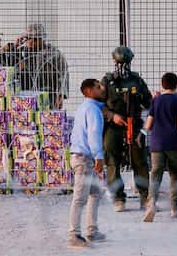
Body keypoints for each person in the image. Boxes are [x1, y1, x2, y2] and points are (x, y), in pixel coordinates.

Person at [100, 46, 152, 212]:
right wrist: (111, 116)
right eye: (119, 63)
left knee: (140, 162)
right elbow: (99, 105)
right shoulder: (107, 81)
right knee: (112, 162)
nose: (122, 66)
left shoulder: (136, 80)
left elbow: (149, 102)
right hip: (113, 126)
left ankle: (145, 198)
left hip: (134, 124)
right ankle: (118, 198)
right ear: (114, 62)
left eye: (125, 63)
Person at [67, 78, 107, 249]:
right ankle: (74, 234)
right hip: (85, 158)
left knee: (95, 192)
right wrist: (99, 157)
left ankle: (92, 230)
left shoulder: (84, 108)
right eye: (98, 87)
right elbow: (93, 134)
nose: (102, 89)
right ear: (89, 91)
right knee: (80, 197)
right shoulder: (92, 110)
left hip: (83, 157)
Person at [143, 72, 177, 221]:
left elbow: (148, 125)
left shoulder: (156, 101)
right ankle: (174, 208)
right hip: (173, 143)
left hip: (156, 143)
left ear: (162, 85)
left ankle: (151, 204)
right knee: (175, 175)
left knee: (155, 175)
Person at [16, 23, 69, 108]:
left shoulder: (54, 54)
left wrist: (61, 94)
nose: (26, 42)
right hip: (26, 99)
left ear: (37, 40)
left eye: (28, 38)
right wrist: (15, 46)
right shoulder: (22, 53)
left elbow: (63, 74)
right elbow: (8, 70)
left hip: (47, 98)